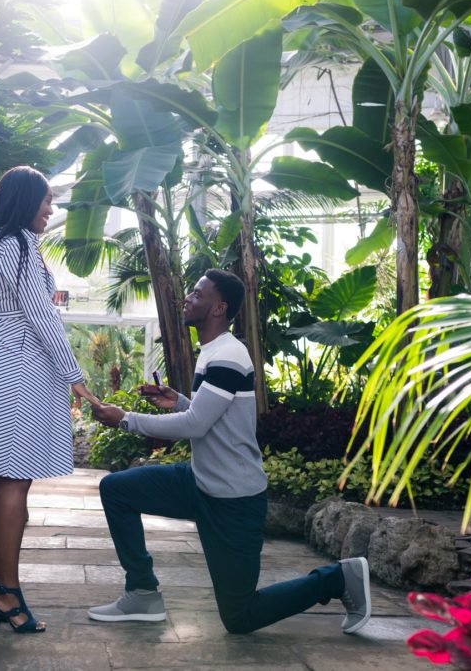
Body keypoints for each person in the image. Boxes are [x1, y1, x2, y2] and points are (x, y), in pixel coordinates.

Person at [88, 269, 371, 635]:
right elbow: (209, 415)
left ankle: (338, 578)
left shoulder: (229, 355)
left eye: (198, 293)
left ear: (219, 307)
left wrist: (127, 419)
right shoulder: (213, 353)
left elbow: (196, 425)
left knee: (240, 617)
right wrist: (179, 402)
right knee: (117, 490)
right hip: (199, 481)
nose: (188, 297)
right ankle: (142, 592)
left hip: (233, 500)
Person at [0, 166, 100, 634]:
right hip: (17, 374)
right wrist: (74, 375)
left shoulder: (5, 244)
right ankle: (7, 592)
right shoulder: (16, 247)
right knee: (15, 482)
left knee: (4, 481)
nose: (51, 209)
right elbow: (42, 318)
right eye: (46, 201)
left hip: (5, 368)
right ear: (25, 201)